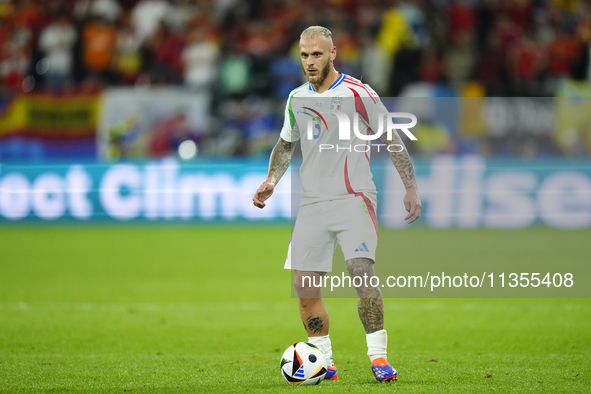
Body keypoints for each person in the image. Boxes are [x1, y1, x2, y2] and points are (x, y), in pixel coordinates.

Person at [252, 26, 421, 383]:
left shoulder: (358, 93)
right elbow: (285, 144)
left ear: (332, 54)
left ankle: (378, 358)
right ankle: (323, 361)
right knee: (304, 288)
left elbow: (391, 137)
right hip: (312, 204)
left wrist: (410, 186)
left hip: (354, 198)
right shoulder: (296, 98)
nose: (310, 61)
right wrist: (271, 180)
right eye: (304, 55)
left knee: (362, 273)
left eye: (316, 54)